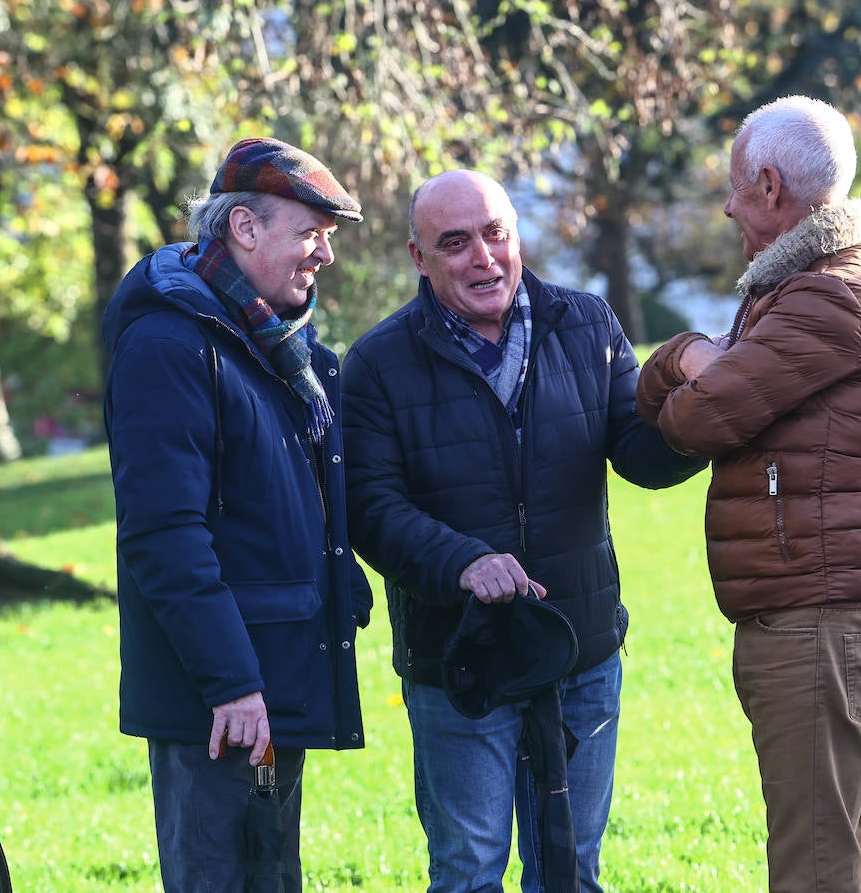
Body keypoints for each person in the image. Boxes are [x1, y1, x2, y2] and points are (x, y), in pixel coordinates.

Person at [341, 168, 706, 892]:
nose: (483, 257)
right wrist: (462, 561)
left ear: (517, 237)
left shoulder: (588, 323)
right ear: (419, 257)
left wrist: (705, 413)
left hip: (581, 651)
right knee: (468, 873)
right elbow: (370, 507)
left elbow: (639, 454)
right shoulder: (379, 363)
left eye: (495, 234)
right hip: (461, 660)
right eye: (455, 243)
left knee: (570, 872)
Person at [635, 96, 861, 893]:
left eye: (733, 187)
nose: (726, 207)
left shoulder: (829, 297)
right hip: (808, 611)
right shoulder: (801, 287)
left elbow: (695, 419)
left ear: (768, 185)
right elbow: (667, 401)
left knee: (817, 869)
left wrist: (688, 355)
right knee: (828, 855)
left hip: (820, 618)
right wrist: (697, 358)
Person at [101, 137, 372, 891]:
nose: (324, 255)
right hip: (220, 702)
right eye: (310, 233)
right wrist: (230, 682)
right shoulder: (169, 345)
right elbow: (165, 535)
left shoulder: (276, 344)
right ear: (244, 228)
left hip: (271, 679)